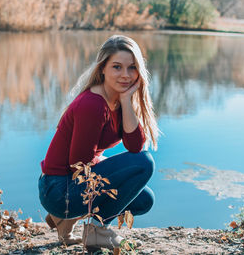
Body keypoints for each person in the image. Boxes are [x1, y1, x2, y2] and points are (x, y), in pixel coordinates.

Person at [38, 35, 159, 251]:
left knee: (143, 200)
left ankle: (67, 219)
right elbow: (79, 164)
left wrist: (126, 100)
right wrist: (106, 166)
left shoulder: (118, 99)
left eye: (132, 68)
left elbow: (134, 146)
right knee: (144, 163)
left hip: (72, 184)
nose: (125, 75)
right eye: (117, 67)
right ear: (102, 68)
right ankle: (95, 231)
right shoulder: (93, 104)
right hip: (58, 189)